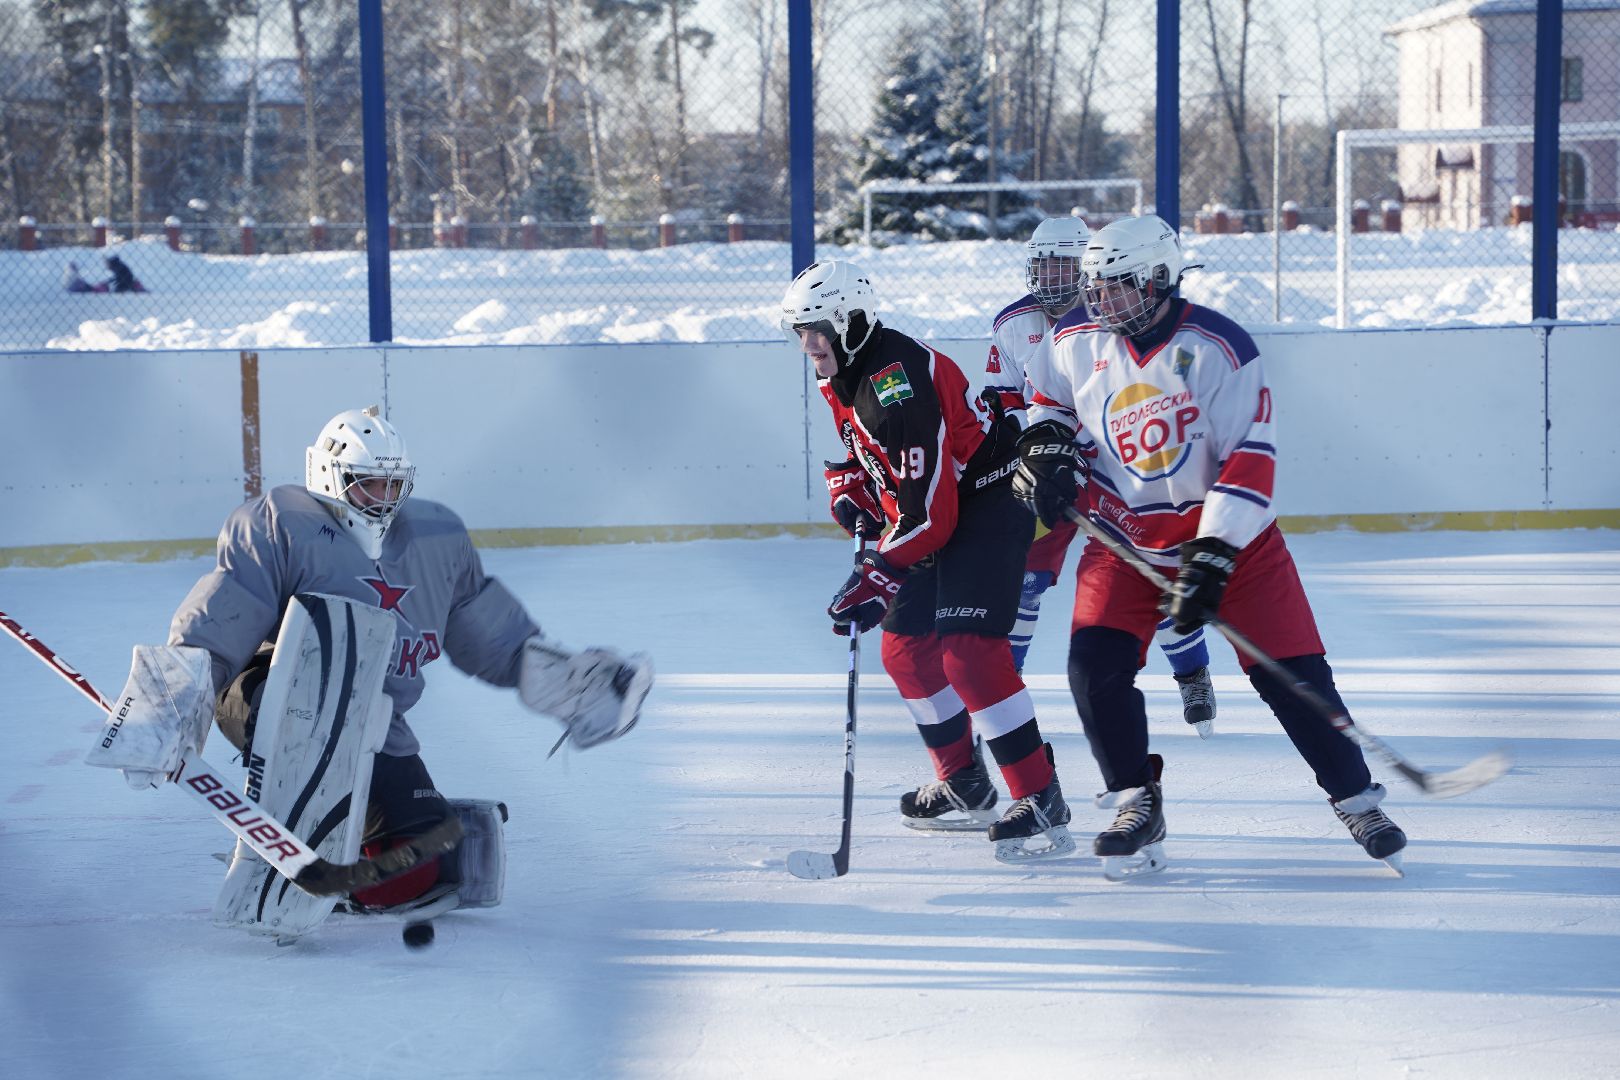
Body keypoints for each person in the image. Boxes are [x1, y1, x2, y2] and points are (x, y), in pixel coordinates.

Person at [89, 405, 652, 912]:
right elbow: (220, 619)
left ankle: (353, 836)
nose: (383, 499)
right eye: (368, 484)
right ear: (330, 478)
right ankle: (314, 826)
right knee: (321, 709)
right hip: (268, 692)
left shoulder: (435, 540)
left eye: (393, 484)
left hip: (376, 719)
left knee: (423, 872)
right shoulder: (279, 524)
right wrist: (169, 706)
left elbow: (490, 634)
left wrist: (570, 686)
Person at [1013, 215, 1408, 878]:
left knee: (1294, 677)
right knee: (1092, 670)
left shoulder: (1220, 348)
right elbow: (1047, 399)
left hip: (1235, 546)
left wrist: (1216, 549)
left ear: (1160, 279)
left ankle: (1354, 797)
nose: (1101, 301)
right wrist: (1045, 447)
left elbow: (1249, 458)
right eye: (1095, 287)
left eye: (1117, 287)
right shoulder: (1075, 337)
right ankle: (1137, 798)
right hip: (1123, 540)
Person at [782, 260, 1074, 863]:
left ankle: (1040, 796)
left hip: (988, 503)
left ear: (852, 321)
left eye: (817, 328)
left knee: (968, 651)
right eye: (799, 330)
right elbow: (868, 453)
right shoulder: (843, 364)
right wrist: (851, 487)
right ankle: (964, 784)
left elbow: (931, 518)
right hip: (937, 507)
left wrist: (877, 574)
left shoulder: (898, 388)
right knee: (906, 652)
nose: (808, 344)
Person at [987, 215, 1217, 736]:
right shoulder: (1011, 323)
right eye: (1042, 264)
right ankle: (1003, 691)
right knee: (1022, 582)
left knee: (1147, 577)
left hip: (1114, 475)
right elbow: (1002, 401)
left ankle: (1192, 671)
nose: (1051, 276)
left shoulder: (1120, 317)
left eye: (1064, 264)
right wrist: (1028, 457)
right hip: (1049, 472)